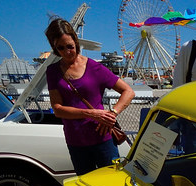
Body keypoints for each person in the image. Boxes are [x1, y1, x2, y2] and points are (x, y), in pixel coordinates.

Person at [45, 18, 134, 175]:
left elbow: (128, 91)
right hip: (76, 142)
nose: (66, 52)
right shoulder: (53, 71)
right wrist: (91, 113)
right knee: (86, 185)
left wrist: (113, 113)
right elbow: (57, 109)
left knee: (112, 182)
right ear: (54, 48)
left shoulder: (95, 68)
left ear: (76, 42)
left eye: (70, 47)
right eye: (60, 48)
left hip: (103, 140)